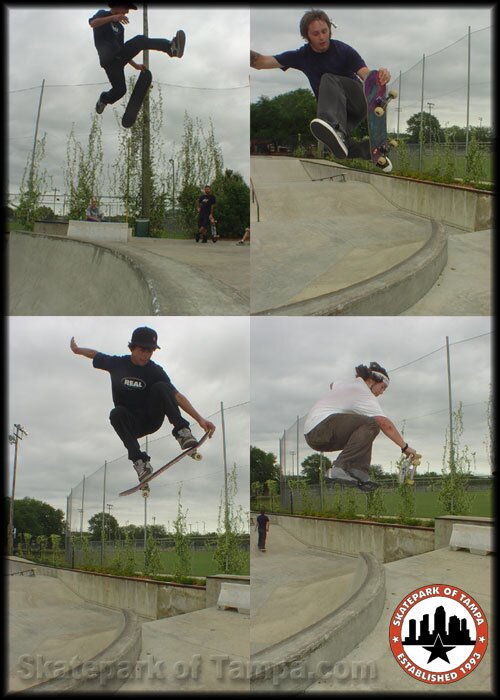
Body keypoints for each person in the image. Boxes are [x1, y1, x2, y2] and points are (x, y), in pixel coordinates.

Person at [250, 9, 393, 172]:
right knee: (339, 148)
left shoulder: (343, 51)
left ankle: (333, 126)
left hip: (357, 102)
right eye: (316, 34)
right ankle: (371, 152)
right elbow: (261, 62)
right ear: (306, 36)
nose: (322, 37)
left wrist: (379, 78)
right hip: (340, 115)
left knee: (327, 79)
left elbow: (366, 76)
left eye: (324, 31)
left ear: (330, 30)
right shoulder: (301, 56)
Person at [70, 327, 216, 484]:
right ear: (132, 347)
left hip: (151, 419)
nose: (146, 355)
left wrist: (200, 419)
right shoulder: (117, 363)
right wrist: (77, 350)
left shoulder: (155, 370)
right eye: (142, 350)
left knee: (162, 386)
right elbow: (95, 354)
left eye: (150, 351)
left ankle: (182, 433)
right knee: (116, 413)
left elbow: (178, 397)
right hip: (131, 424)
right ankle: (141, 463)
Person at [304, 362, 418, 491]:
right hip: (320, 428)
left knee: (365, 431)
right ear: (371, 381)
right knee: (372, 424)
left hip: (318, 438)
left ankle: (358, 472)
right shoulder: (363, 392)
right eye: (382, 387)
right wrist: (405, 447)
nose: (382, 393)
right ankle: (338, 468)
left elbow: (332, 384)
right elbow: (385, 424)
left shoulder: (347, 385)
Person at [89, 4, 185, 114]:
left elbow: (122, 49)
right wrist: (112, 18)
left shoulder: (120, 28)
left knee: (140, 40)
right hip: (109, 62)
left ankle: (171, 48)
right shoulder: (102, 14)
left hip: (119, 56)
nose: (127, 12)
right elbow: (93, 23)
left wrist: (136, 66)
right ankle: (104, 99)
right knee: (120, 91)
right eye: (126, 8)